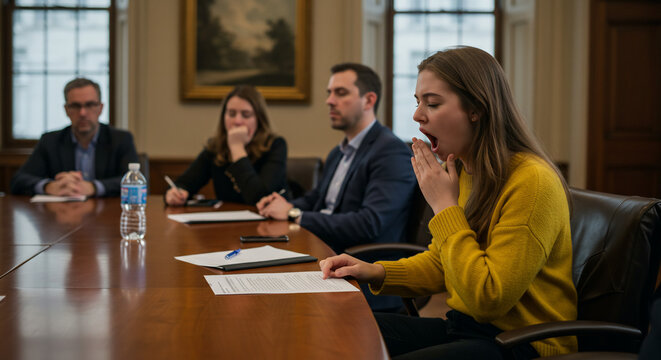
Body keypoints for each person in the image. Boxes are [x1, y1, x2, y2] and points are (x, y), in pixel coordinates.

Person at [319, 47, 577, 359]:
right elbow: (444, 263)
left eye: (432, 103)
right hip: (467, 329)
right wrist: (374, 271)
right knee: (336, 326)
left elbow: (488, 298)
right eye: (418, 102)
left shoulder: (532, 181)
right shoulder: (465, 170)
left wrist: (445, 207)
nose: (417, 115)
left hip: (524, 342)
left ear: (476, 109)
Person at [257, 63, 416, 311]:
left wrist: (293, 214)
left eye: (340, 93)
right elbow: (316, 200)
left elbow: (370, 223)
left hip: (364, 273)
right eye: (329, 93)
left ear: (368, 100)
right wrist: (281, 206)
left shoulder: (390, 151)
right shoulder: (338, 152)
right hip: (327, 257)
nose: (330, 101)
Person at [11, 78, 139, 197]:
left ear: (100, 108)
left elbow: (135, 182)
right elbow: (18, 180)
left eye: (89, 105)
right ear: (67, 110)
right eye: (76, 106)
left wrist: (93, 187)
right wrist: (48, 186)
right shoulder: (50, 141)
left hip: (108, 216)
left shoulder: (121, 139)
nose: (82, 113)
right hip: (61, 216)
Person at [165, 85, 288, 206]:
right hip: (227, 222)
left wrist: (237, 148)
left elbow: (259, 198)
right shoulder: (215, 147)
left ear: (259, 119)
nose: (237, 121)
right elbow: (184, 183)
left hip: (269, 222)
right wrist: (176, 193)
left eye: (246, 115)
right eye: (231, 113)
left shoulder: (275, 145)